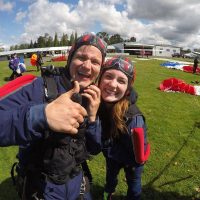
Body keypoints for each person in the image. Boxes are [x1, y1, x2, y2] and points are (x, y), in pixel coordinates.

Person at [0, 33, 107, 200]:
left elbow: (93, 149)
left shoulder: (91, 97)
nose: (87, 66)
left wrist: (93, 119)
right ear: (70, 58)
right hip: (41, 191)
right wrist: (41, 115)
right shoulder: (37, 88)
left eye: (95, 62)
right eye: (81, 57)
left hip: (78, 186)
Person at [98, 56, 150, 200]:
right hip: (112, 155)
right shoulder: (98, 106)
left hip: (132, 160)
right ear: (100, 79)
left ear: (128, 89)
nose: (113, 85)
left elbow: (140, 153)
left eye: (121, 81)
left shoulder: (133, 118)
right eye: (108, 76)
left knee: (134, 185)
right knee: (110, 182)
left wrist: (138, 160)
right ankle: (106, 196)